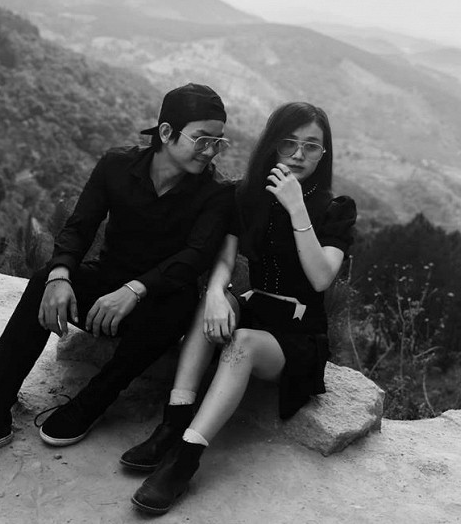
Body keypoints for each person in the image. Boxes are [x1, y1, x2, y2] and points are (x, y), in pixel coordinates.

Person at [0, 83, 234, 466]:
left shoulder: (216, 192)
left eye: (218, 142)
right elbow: (80, 225)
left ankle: (92, 401)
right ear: (167, 132)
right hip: (105, 283)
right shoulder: (117, 165)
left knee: (180, 304)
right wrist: (59, 275)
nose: (210, 151)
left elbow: (195, 256)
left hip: (157, 300)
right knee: (42, 281)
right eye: (202, 139)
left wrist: (135, 290)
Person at [124, 102, 357, 515]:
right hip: (258, 307)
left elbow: (321, 277)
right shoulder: (245, 196)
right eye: (288, 143)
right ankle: (173, 422)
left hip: (298, 333)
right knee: (212, 302)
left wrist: (296, 207)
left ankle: (185, 458)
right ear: (272, 145)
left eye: (311, 146)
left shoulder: (336, 208)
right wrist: (217, 292)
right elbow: (225, 259)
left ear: (324, 153)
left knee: (243, 342)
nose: (299, 155)